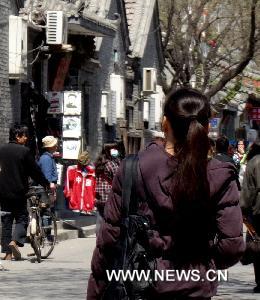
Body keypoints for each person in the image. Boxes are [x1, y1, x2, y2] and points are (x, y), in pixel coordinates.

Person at [88, 88, 244, 299]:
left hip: (143, 284)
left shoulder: (133, 168)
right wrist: (203, 267)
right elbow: (232, 245)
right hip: (195, 288)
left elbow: (109, 241)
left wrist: (96, 293)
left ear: (164, 123)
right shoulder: (219, 175)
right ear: (207, 127)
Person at [0, 123, 49, 260]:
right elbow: (34, 171)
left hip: (3, 191)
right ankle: (15, 241)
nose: (26, 139)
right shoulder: (24, 152)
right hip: (19, 191)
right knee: (22, 218)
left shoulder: (0, 150)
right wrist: (45, 184)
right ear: (17, 136)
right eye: (24, 136)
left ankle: (7, 253)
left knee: (6, 221)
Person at [240, 138, 260, 292]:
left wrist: (244, 209)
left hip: (258, 211)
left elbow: (248, 191)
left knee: (258, 246)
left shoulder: (253, 162)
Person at [93, 143, 120, 229]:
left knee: (100, 217)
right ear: (109, 151)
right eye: (114, 149)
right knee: (110, 219)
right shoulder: (111, 164)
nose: (116, 151)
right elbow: (118, 178)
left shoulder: (99, 163)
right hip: (109, 196)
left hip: (99, 195)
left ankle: (99, 237)